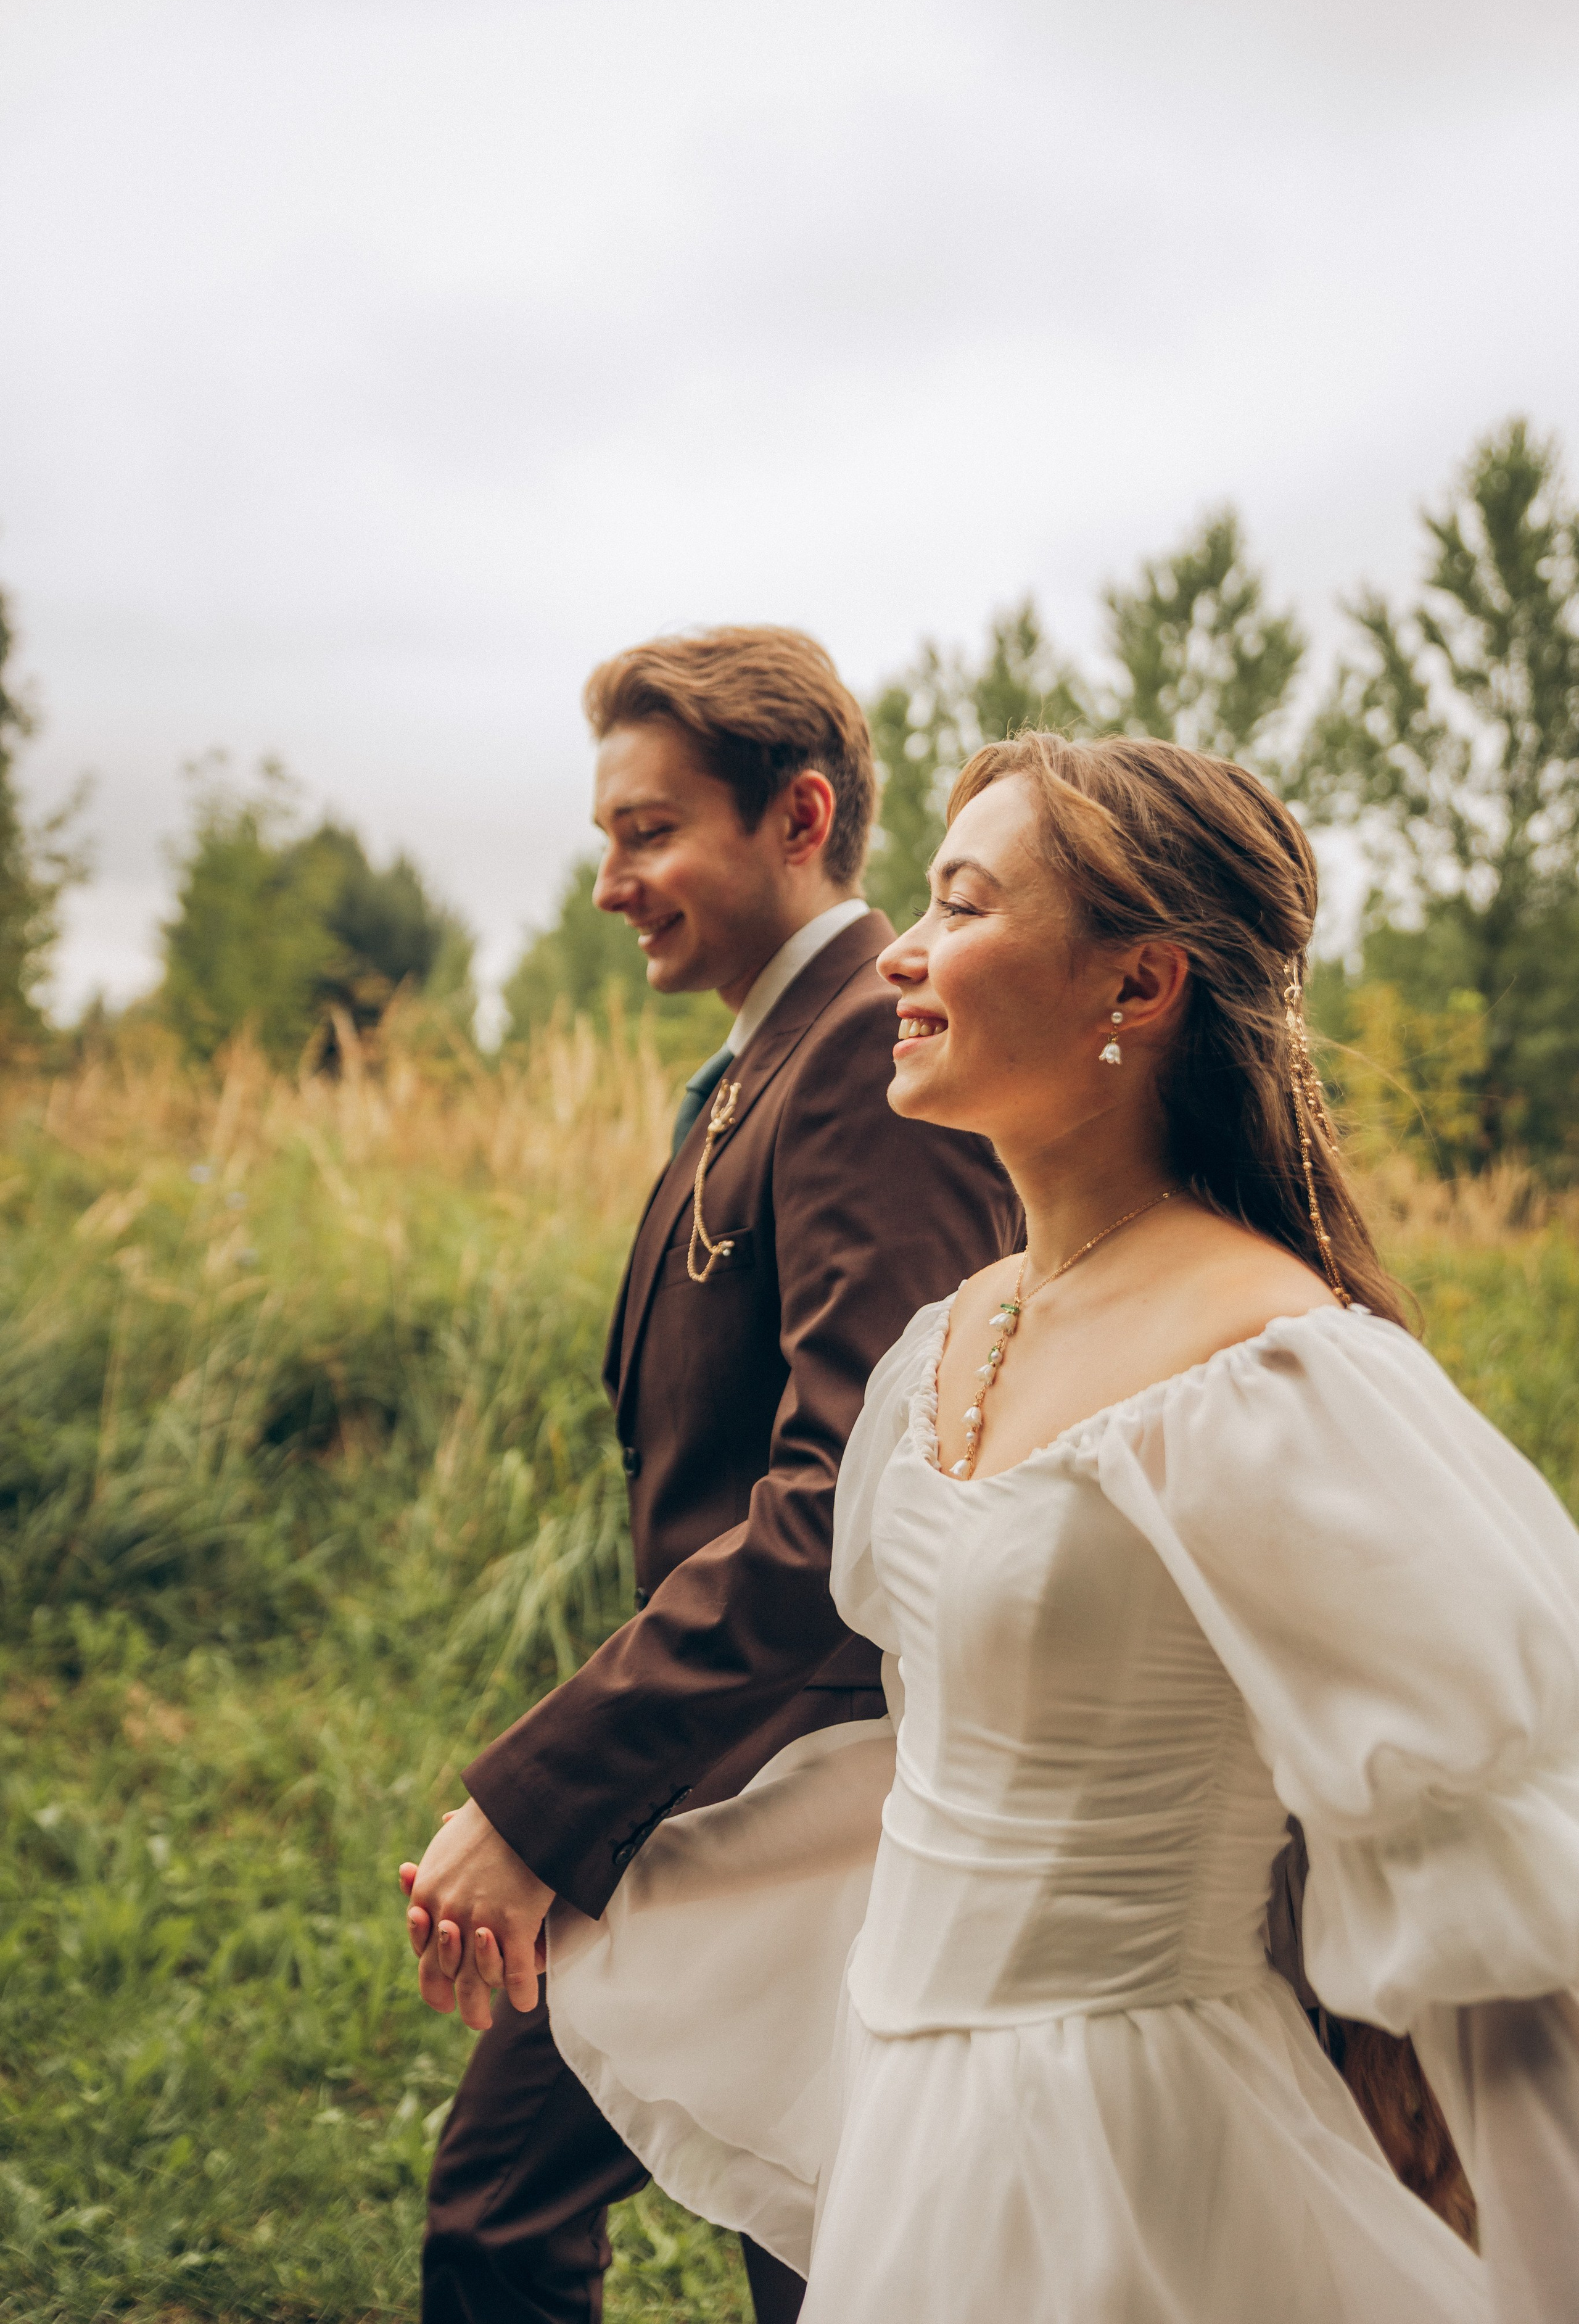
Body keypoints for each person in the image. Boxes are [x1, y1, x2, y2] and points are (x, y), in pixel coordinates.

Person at [530, 731, 1579, 2321]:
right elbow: (946, 1771)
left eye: (961, 906)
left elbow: (1501, 1880)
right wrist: (600, 1865)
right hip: (919, 2131)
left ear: (1136, 988)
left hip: (1135, 2147)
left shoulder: (1280, 1371)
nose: (901, 949)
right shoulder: (944, 1342)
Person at [403, 627, 1021, 2323]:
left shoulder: (869, 1060)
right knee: (817, 2230)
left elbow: (846, 1497)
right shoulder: (777, 1050)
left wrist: (553, 1797)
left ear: (799, 813)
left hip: (789, 1772)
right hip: (734, 1751)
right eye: (611, 834)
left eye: (647, 831)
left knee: (508, 2210)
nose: (612, 880)